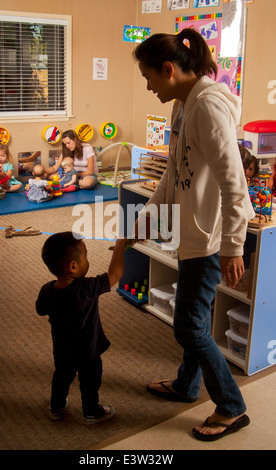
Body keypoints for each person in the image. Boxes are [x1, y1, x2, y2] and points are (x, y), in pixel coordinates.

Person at [133, 29, 254, 441]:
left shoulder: (208, 108)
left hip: (209, 239)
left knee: (188, 327)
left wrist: (232, 245)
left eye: (149, 77)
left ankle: (232, 406)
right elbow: (173, 172)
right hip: (191, 233)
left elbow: (234, 182)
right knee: (193, 318)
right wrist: (144, 220)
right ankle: (187, 386)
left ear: (169, 70)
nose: (148, 86)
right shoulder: (184, 105)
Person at [36, 231, 128, 424]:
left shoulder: (47, 289)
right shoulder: (86, 288)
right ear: (73, 266)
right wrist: (119, 247)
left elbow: (40, 310)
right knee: (90, 382)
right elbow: (114, 275)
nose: (88, 259)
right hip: (89, 352)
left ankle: (56, 407)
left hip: (62, 350)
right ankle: (91, 412)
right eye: (86, 256)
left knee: (61, 377)